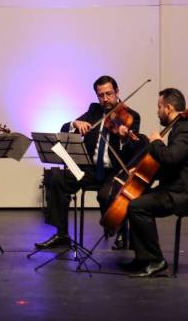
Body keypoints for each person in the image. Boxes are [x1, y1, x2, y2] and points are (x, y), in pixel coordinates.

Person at [34, 75, 142, 250]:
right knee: (55, 176)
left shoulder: (131, 116)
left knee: (105, 195)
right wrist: (75, 123)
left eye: (109, 94)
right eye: (101, 95)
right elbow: (64, 129)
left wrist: (124, 139)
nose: (105, 99)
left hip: (114, 171)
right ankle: (61, 234)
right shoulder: (94, 111)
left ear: (117, 92)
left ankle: (121, 231)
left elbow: (134, 150)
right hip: (90, 169)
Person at [122, 87, 188, 278]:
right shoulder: (179, 128)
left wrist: (156, 142)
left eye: (159, 107)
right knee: (134, 200)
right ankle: (143, 258)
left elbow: (171, 158)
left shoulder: (185, 129)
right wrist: (140, 171)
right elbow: (172, 165)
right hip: (175, 188)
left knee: (137, 207)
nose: (158, 112)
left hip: (184, 193)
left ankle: (156, 261)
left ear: (169, 108)